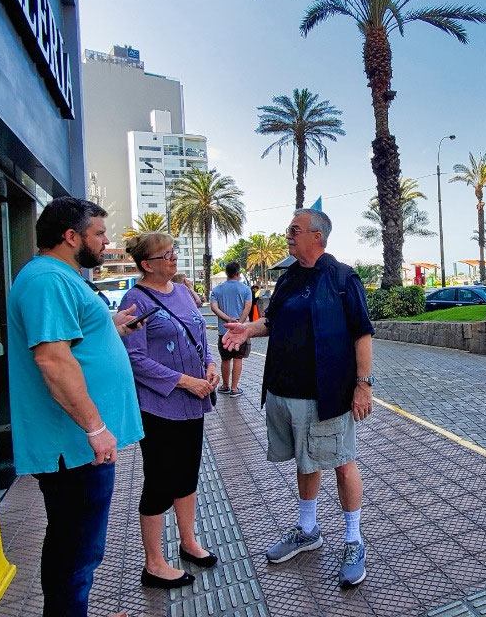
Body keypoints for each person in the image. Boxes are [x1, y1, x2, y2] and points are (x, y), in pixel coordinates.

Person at [221, 208, 375, 588]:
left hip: (327, 394)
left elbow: (362, 333)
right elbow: (272, 321)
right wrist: (247, 330)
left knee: (342, 463)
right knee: (306, 461)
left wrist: (363, 385)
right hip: (284, 391)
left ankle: (354, 540)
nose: (287, 235)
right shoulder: (289, 277)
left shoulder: (342, 278)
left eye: (294, 230)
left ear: (317, 236)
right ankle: (307, 530)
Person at [6, 196, 144, 617]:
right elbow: (52, 359)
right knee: (77, 552)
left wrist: (108, 326)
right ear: (71, 236)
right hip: (74, 446)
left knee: (76, 546)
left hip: (78, 445)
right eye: (99, 233)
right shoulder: (48, 280)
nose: (106, 242)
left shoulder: (58, 277)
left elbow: (72, 339)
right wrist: (95, 428)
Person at [118, 232, 221, 591]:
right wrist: (184, 381)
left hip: (193, 402)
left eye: (173, 252)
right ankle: (154, 564)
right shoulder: (135, 299)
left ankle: (188, 542)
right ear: (147, 265)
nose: (173, 258)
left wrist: (210, 366)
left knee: (187, 475)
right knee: (160, 482)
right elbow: (134, 358)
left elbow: (201, 337)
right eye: (165, 255)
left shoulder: (182, 291)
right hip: (159, 407)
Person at [210, 262, 253, 396]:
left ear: (227, 273)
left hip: (224, 331)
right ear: (238, 274)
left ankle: (225, 385)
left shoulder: (217, 290)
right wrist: (239, 323)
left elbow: (214, 308)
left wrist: (228, 319)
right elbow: (248, 307)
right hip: (241, 331)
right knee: (238, 359)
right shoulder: (246, 289)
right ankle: (234, 388)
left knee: (225, 359)